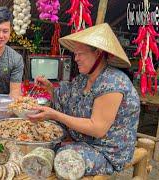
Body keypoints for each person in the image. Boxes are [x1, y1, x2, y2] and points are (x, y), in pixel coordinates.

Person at [28, 23, 140, 176]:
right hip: (82, 142)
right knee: (42, 147)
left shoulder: (113, 83)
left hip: (106, 151)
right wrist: (48, 87)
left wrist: (54, 115)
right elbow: (65, 100)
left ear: (99, 53)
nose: (76, 58)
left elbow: (97, 128)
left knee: (64, 160)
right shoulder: (83, 79)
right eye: (75, 53)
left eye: (80, 53)